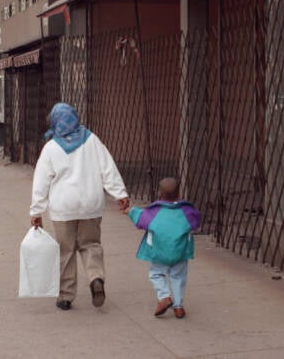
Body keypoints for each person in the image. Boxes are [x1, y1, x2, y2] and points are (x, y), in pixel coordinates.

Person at [29, 103, 129, 311]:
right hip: (91, 204)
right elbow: (108, 168)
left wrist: (36, 211)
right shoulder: (92, 140)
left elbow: (41, 182)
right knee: (91, 244)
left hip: (63, 207)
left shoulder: (51, 148)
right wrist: (120, 193)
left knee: (66, 250)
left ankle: (66, 296)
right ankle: (95, 278)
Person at [124, 177, 201, 319]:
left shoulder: (154, 212)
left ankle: (165, 297)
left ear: (160, 193)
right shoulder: (187, 211)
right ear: (179, 193)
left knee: (156, 274)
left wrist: (130, 210)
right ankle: (178, 307)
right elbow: (196, 221)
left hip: (158, 251)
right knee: (178, 277)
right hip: (180, 252)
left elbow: (140, 218)